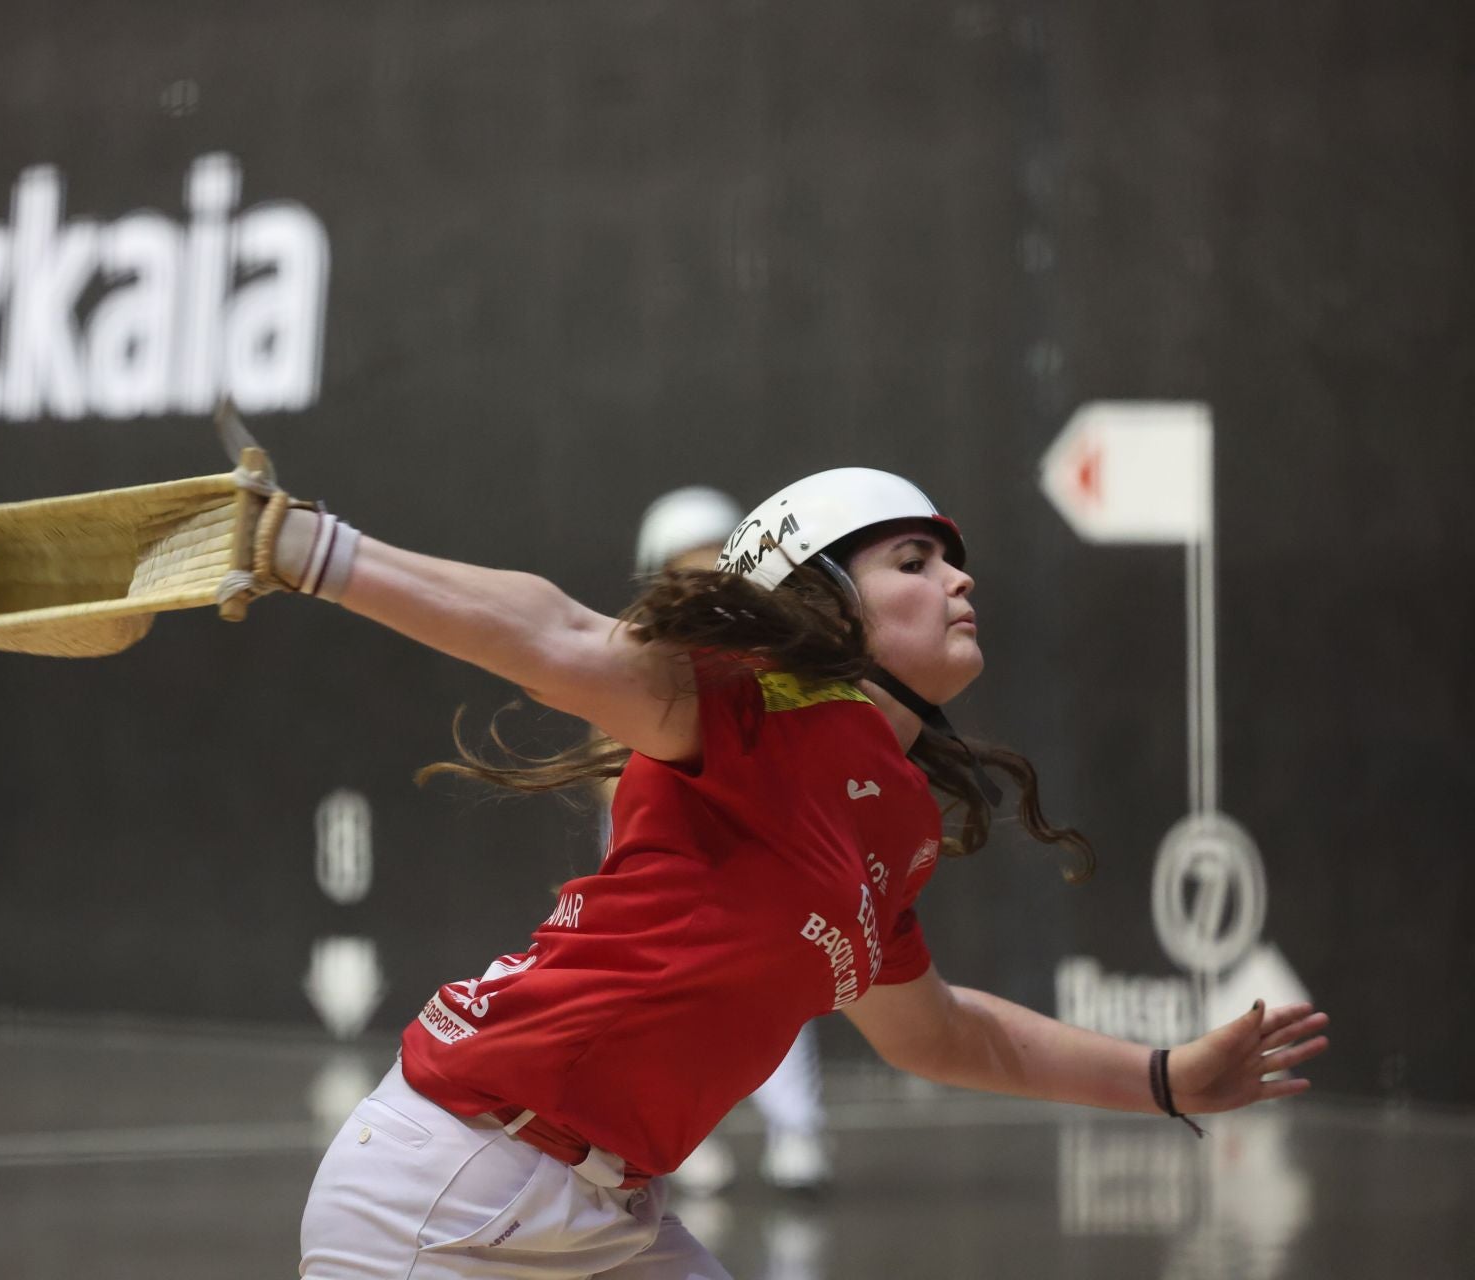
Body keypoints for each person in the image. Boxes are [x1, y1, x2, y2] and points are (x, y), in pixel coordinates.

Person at [272, 464, 1329, 1280]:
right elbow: (552, 631)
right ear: (825, 598)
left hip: (604, 1221)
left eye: (950, 561)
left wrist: (1163, 1078)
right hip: (448, 1187)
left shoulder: (897, 819)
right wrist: (308, 546)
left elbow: (943, 1031)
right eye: (912, 562)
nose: (959, 579)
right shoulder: (738, 700)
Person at [623, 486, 833, 1196]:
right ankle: (680, 1141)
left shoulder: (775, 650)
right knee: (670, 1004)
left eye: (721, 559)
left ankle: (796, 1132)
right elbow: (609, 772)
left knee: (777, 985)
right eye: (689, 565)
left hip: (758, 858)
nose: (709, 577)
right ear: (659, 579)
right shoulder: (633, 655)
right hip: (664, 863)